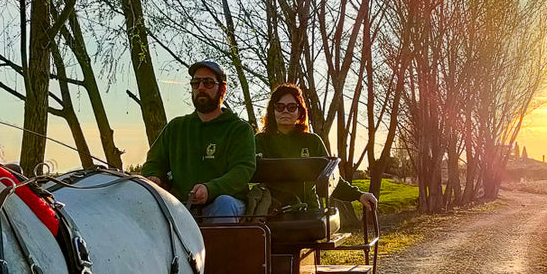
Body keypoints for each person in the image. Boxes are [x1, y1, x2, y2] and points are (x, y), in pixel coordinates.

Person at [140, 60, 255, 219]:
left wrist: (210, 189)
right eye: (196, 83)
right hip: (180, 207)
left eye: (208, 83)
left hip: (223, 205)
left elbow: (242, 171)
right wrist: (154, 177)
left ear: (222, 89)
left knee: (224, 203)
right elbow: (154, 162)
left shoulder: (239, 130)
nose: (200, 87)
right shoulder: (176, 127)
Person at [254, 83, 377, 215]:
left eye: (291, 107)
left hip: (309, 211)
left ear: (300, 112)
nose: (285, 111)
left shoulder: (313, 142)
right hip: (271, 211)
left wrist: (359, 195)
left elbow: (331, 180)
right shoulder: (260, 141)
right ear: (272, 111)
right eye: (279, 107)